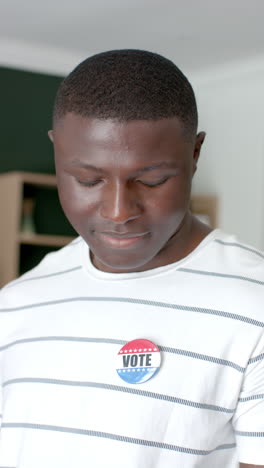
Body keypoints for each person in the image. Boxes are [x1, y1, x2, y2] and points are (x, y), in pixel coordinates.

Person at [0, 49, 263, 468]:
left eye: (151, 180)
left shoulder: (255, 306)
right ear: (57, 151)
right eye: (88, 179)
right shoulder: (17, 302)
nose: (118, 211)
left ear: (195, 155)